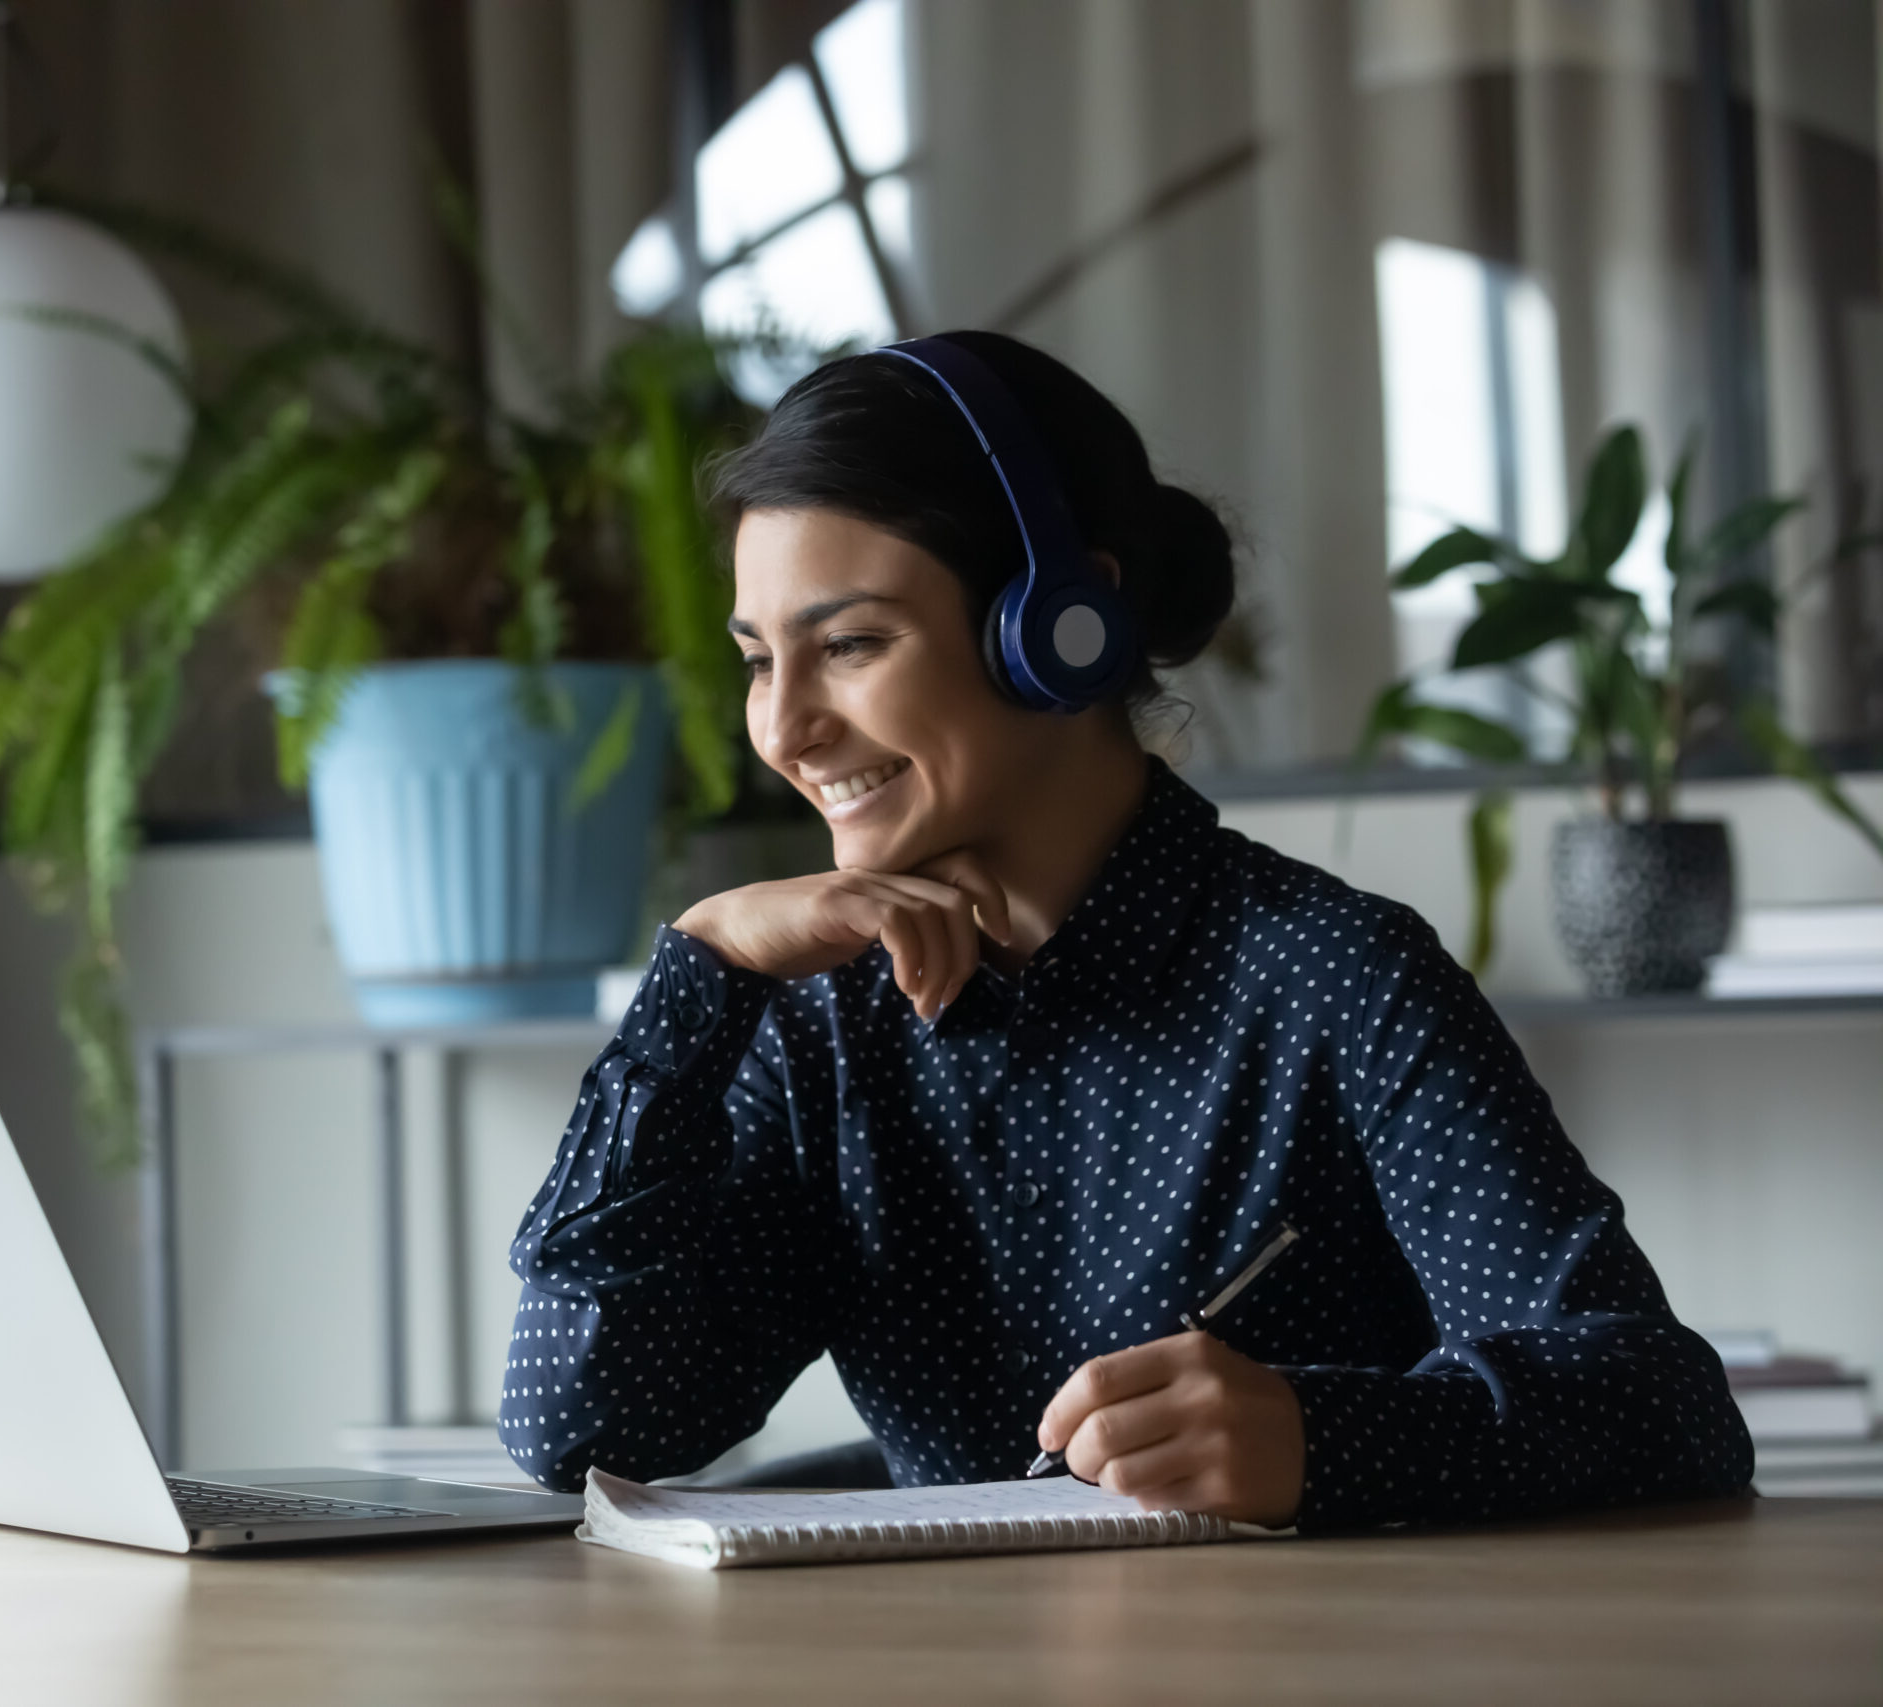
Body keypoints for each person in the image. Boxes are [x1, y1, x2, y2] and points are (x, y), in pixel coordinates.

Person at [495, 331, 1753, 1532]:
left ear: (1059, 628)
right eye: (760, 660)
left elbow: (1663, 1408)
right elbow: (576, 1423)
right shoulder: (818, 1019)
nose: (783, 729)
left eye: (852, 645)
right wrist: (701, 971)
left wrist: (1316, 1440)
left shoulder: (1334, 977)